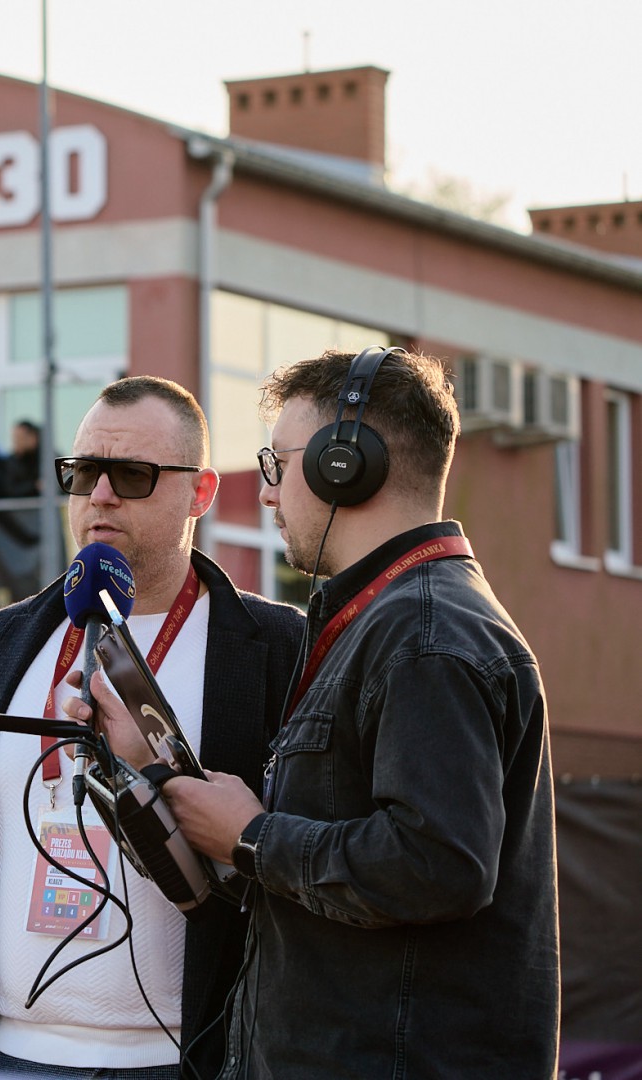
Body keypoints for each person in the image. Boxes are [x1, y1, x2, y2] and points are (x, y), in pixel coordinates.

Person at [139, 348, 559, 1078]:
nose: (265, 495)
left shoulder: (424, 637)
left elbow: (437, 866)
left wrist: (252, 836)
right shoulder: (384, 622)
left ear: (345, 464)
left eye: (276, 465)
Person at [0, 376, 304, 1079]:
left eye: (132, 475)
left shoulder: (281, 648)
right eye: (83, 472)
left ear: (199, 493)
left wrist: (155, 768)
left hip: (188, 1059)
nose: (100, 495)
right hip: (0, 1055)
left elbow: (299, 859)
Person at [2, 419, 44, 498]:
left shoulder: (47, 458)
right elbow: (9, 489)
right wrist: (34, 486)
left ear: (33, 437)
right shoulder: (10, 462)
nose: (17, 442)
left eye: (20, 438)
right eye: (15, 439)